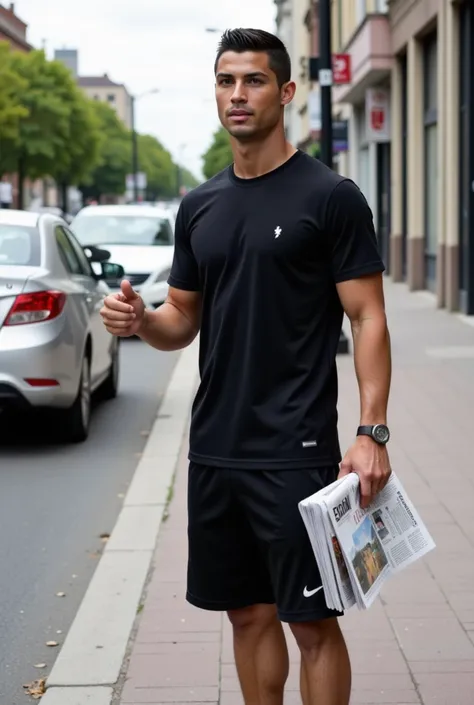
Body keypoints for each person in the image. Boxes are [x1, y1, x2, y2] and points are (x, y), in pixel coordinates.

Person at [100, 28, 392, 705]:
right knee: (248, 612)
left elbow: (368, 316)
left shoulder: (331, 196)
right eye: (226, 81)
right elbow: (181, 318)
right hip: (216, 448)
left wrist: (371, 430)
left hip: (298, 448)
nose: (238, 94)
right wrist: (142, 321)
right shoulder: (200, 204)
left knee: (312, 621)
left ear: (285, 92)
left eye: (254, 80)